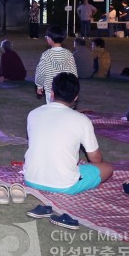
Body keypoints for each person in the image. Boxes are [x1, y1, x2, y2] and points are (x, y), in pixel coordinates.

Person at [24, 73, 114, 228]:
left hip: (31, 178)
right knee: (107, 168)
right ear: (76, 97)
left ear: (52, 93)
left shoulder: (34, 114)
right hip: (64, 184)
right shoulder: (82, 120)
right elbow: (96, 159)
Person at [33, 26, 77, 103]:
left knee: (52, 109)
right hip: (65, 90)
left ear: (49, 39)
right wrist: (74, 89)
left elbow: (40, 72)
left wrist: (39, 85)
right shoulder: (68, 54)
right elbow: (73, 73)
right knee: (65, 109)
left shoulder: (46, 55)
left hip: (51, 90)